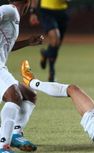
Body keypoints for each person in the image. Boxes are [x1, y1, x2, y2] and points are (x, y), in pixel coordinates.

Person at [0, 0, 44, 152]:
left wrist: (27, 42)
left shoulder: (14, 16)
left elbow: (6, 46)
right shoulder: (9, 10)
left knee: (29, 95)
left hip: (1, 67)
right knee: (14, 96)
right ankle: (3, 146)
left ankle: (14, 134)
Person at [29, 0, 69, 82]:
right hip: (47, 11)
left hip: (62, 12)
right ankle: (52, 72)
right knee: (55, 38)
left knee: (57, 44)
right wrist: (33, 12)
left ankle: (46, 54)